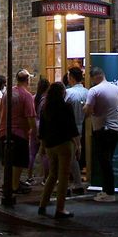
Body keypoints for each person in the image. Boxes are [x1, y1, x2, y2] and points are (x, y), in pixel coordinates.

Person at [36, 80, 77, 220]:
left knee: (52, 175)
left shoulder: (45, 108)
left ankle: (42, 204)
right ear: (62, 93)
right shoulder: (66, 107)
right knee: (63, 176)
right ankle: (60, 209)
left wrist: (42, 146)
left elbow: (41, 130)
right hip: (64, 144)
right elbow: (72, 128)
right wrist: (78, 145)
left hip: (50, 145)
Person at [84, 65, 118, 202]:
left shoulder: (94, 91)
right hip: (115, 130)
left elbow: (88, 111)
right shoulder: (116, 88)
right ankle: (106, 190)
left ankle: (110, 193)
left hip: (102, 130)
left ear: (95, 77)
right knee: (108, 160)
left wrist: (85, 107)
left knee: (104, 162)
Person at [0, 70, 37, 195]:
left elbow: (1, 111)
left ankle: (9, 183)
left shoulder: (7, 93)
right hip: (19, 132)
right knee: (18, 162)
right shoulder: (26, 95)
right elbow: (30, 117)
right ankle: (14, 186)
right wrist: (34, 133)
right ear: (27, 80)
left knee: (8, 161)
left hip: (4, 130)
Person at [63, 67, 88, 194]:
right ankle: (77, 183)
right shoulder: (87, 92)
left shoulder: (69, 93)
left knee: (68, 157)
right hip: (82, 126)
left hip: (69, 128)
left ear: (71, 77)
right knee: (74, 156)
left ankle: (72, 184)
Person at [27, 76, 50, 187]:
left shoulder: (33, 97)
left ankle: (29, 176)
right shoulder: (46, 99)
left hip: (33, 126)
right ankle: (46, 177)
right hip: (43, 127)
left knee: (32, 153)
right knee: (44, 154)